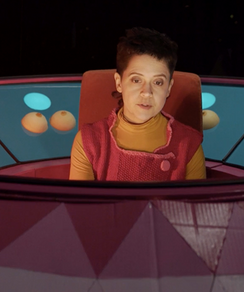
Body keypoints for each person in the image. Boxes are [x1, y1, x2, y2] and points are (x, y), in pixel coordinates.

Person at [69, 27, 206, 181]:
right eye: (136, 80)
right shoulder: (89, 141)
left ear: (168, 87)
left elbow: (196, 198)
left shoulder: (189, 144)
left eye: (158, 82)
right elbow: (81, 197)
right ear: (119, 83)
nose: (147, 92)